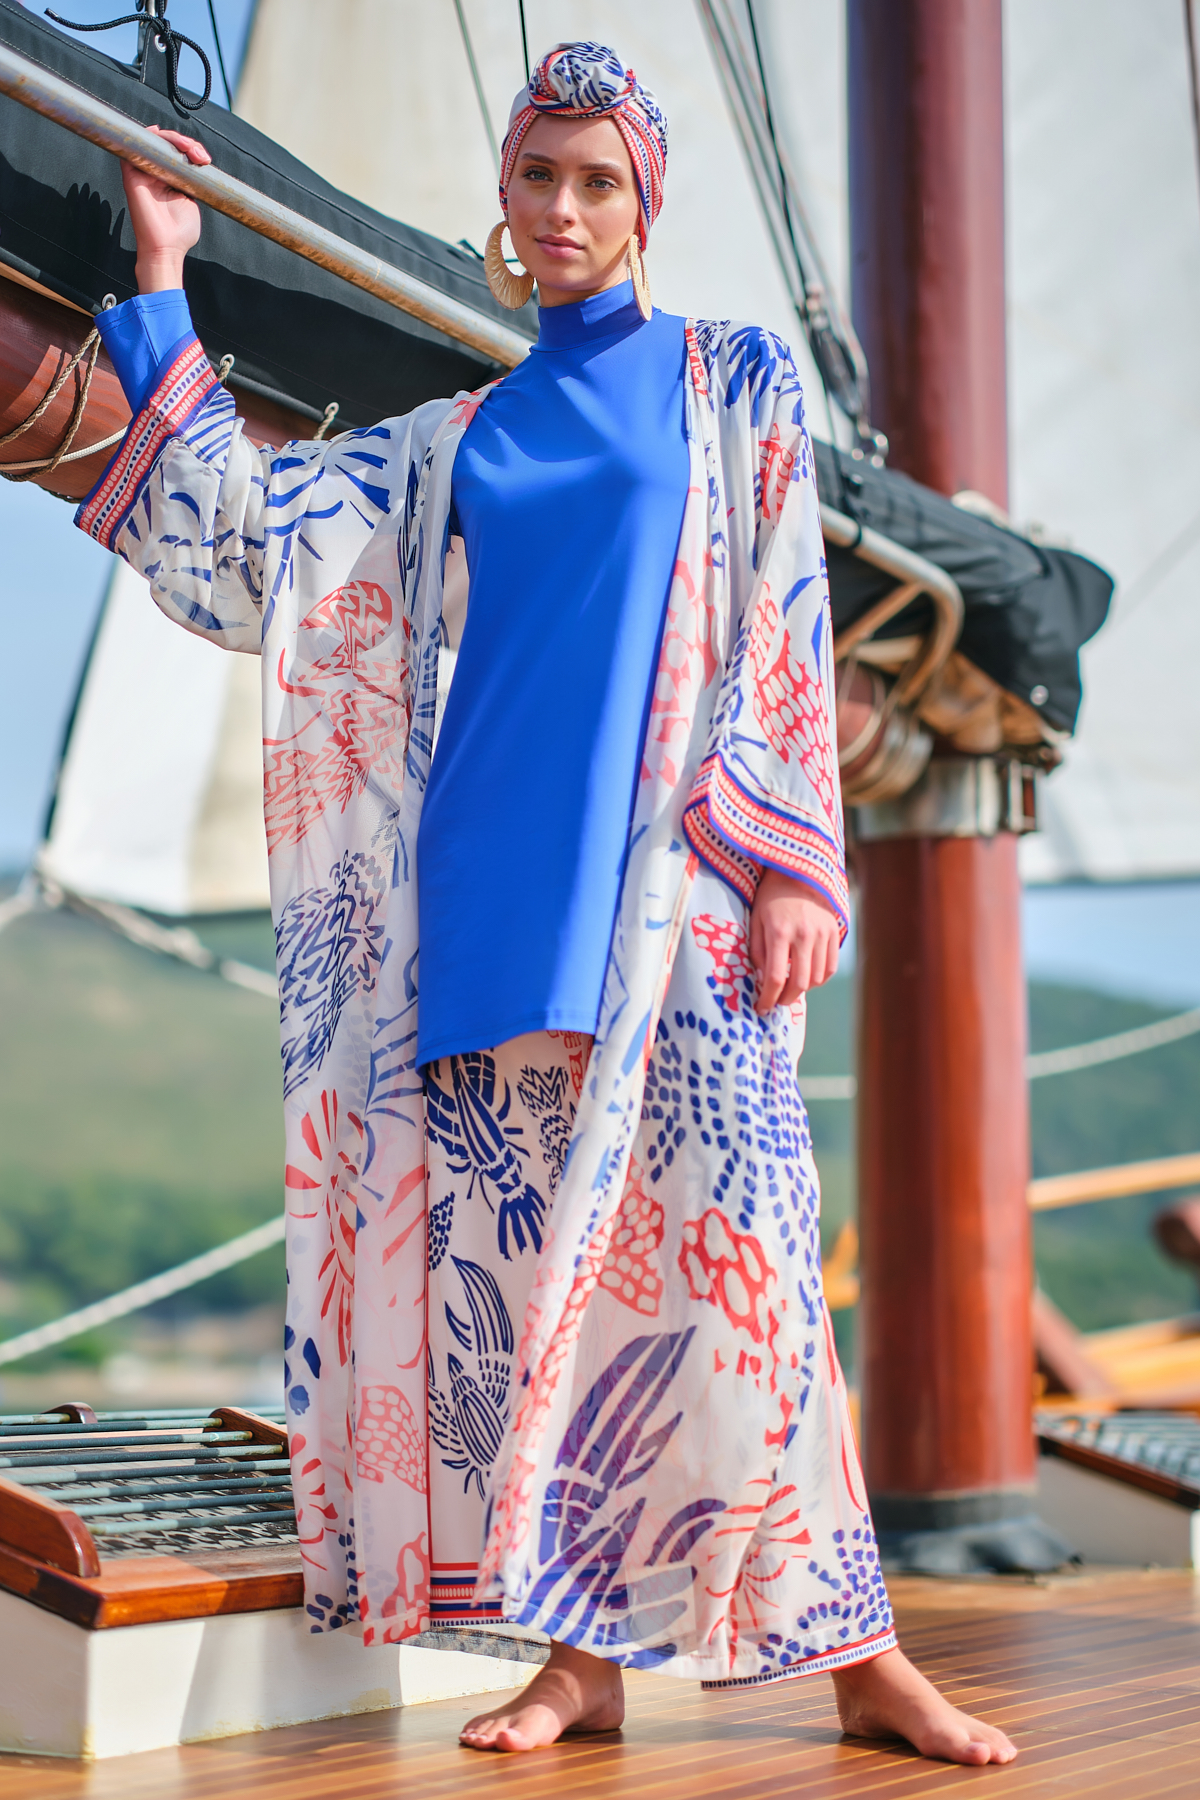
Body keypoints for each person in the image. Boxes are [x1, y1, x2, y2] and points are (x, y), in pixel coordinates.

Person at [79, 41, 1016, 1767]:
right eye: (540, 177)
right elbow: (258, 551)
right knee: (535, 1314)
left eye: (599, 180)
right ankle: (578, 1661)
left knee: (752, 1281)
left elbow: (784, 608)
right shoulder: (453, 442)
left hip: (684, 893)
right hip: (487, 904)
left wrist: (792, 856)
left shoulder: (729, 381)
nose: (567, 208)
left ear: (645, 204)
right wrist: (158, 279)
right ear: (504, 202)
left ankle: (862, 1659)